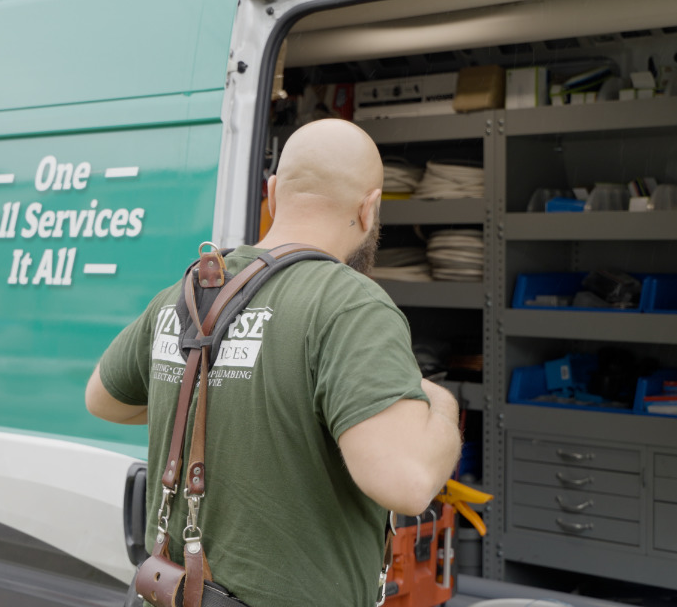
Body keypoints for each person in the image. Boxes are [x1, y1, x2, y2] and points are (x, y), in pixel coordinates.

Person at [85, 119, 463, 607]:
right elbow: (407, 482)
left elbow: (103, 398)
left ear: (272, 193)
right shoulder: (349, 304)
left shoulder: (186, 295)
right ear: (369, 209)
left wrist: (219, 385)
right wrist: (441, 404)